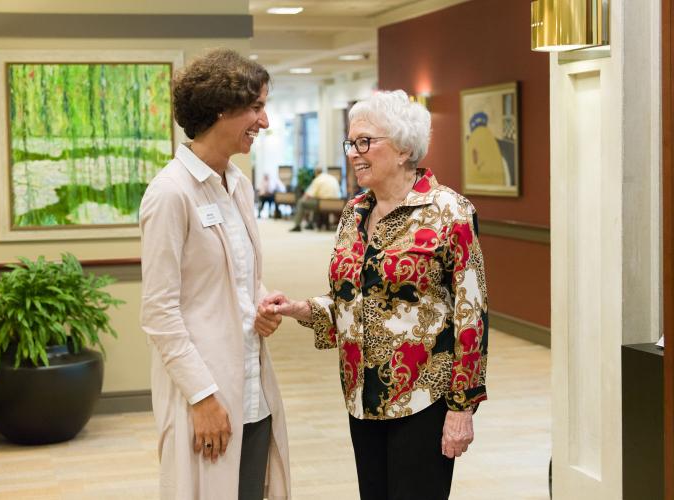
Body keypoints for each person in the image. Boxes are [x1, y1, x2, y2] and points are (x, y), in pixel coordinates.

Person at [259, 90, 488, 500]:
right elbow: (351, 302)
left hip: (423, 398)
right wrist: (300, 309)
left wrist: (462, 407)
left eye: (365, 142)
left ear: (403, 149)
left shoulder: (449, 212)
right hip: (361, 399)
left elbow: (472, 315)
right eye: (351, 143)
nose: (354, 153)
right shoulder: (355, 212)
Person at [139, 48, 291, 500]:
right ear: (222, 107)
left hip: (252, 388)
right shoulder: (170, 193)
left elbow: (241, 277)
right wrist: (203, 397)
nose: (264, 122)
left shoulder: (238, 184)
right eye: (257, 107)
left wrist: (262, 302)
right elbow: (159, 313)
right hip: (206, 393)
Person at [289, 167, 341, 231]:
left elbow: (308, 195)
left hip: (322, 204)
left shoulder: (317, 179)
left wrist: (302, 200)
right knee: (315, 199)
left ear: (315, 173)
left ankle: (297, 225)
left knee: (301, 202)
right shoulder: (332, 178)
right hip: (337, 204)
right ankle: (311, 223)